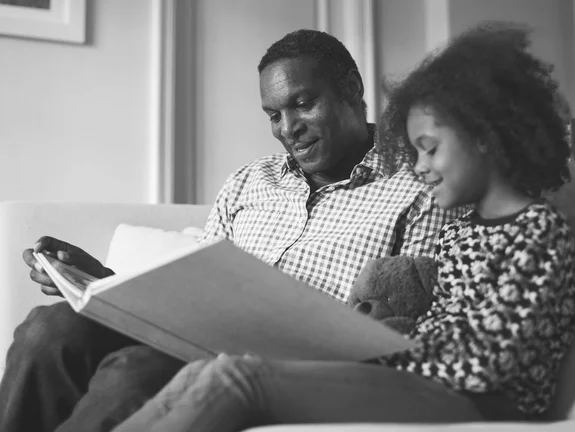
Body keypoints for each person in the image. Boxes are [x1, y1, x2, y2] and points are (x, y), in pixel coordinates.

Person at [109, 22, 575, 432]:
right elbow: (427, 322)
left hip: (478, 405)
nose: (417, 167)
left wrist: (386, 353)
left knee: (235, 379)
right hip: (422, 380)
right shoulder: (467, 228)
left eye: (429, 148)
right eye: (414, 151)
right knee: (202, 374)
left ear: (486, 140)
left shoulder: (536, 232)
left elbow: (486, 363)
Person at [0, 30, 460, 432]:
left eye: (303, 104)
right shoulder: (248, 181)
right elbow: (189, 290)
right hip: (194, 339)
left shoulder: (419, 186)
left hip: (288, 367)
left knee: (134, 371)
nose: (288, 129)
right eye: (273, 114)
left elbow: (400, 322)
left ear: (351, 89)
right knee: (50, 328)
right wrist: (103, 281)